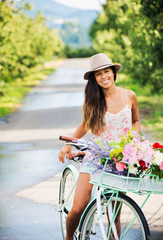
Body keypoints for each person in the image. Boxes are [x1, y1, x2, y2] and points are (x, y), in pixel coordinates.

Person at [59, 53, 140, 240]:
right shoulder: (94, 101)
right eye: (98, 74)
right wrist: (68, 144)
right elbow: (84, 125)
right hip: (96, 158)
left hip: (120, 160)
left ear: (113, 73)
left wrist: (134, 139)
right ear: (94, 79)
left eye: (106, 71)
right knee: (79, 207)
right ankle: (69, 237)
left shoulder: (130, 96)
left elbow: (135, 121)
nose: (104, 77)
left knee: (115, 214)